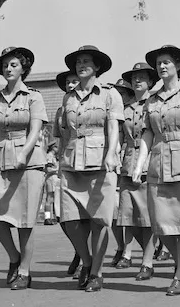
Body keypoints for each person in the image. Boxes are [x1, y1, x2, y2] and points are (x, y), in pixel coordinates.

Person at [131, 45, 180, 295]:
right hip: (158, 165)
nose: (162, 67)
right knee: (160, 224)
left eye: (166, 62)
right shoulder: (151, 100)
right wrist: (140, 163)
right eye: (159, 63)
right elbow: (147, 134)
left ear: (177, 65)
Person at [0, 46, 49, 291]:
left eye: (13, 65)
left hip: (28, 160)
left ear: (23, 69)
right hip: (0, 157)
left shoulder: (33, 96)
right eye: (4, 66)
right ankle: (13, 257)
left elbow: (35, 129)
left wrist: (23, 153)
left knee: (25, 219)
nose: (8, 69)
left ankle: (24, 271)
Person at [59, 45, 124, 292]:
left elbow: (113, 128)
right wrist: (60, 162)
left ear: (97, 66)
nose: (82, 65)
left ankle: (96, 272)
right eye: (78, 62)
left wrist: (111, 154)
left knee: (99, 221)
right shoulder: (68, 97)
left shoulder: (109, 95)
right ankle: (86, 261)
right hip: (72, 163)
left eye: (87, 61)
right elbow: (65, 134)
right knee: (71, 220)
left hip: (100, 163)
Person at [117, 62, 159, 281]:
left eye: (142, 77)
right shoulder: (125, 108)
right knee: (129, 215)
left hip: (149, 163)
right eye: (134, 78)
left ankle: (147, 262)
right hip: (127, 164)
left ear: (151, 82)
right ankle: (136, 253)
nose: (137, 81)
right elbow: (121, 139)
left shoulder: (155, 104)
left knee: (147, 217)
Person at [52, 70, 83, 277]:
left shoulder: (88, 107)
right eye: (68, 82)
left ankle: (83, 257)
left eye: (75, 81)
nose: (71, 85)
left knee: (85, 217)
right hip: (65, 164)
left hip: (87, 165)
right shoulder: (60, 110)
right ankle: (79, 250)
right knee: (63, 216)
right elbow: (58, 140)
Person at [110, 78, 135, 269]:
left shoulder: (135, 110)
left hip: (135, 161)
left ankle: (128, 251)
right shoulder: (114, 111)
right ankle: (122, 247)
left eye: (124, 93)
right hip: (118, 164)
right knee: (115, 213)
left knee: (133, 212)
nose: (121, 96)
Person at [43, 140, 60, 226]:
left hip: (55, 178)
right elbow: (48, 169)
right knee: (49, 199)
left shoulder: (54, 156)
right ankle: (47, 218)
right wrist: (57, 169)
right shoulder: (49, 156)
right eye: (56, 147)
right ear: (53, 148)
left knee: (53, 199)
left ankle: (53, 217)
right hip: (50, 178)